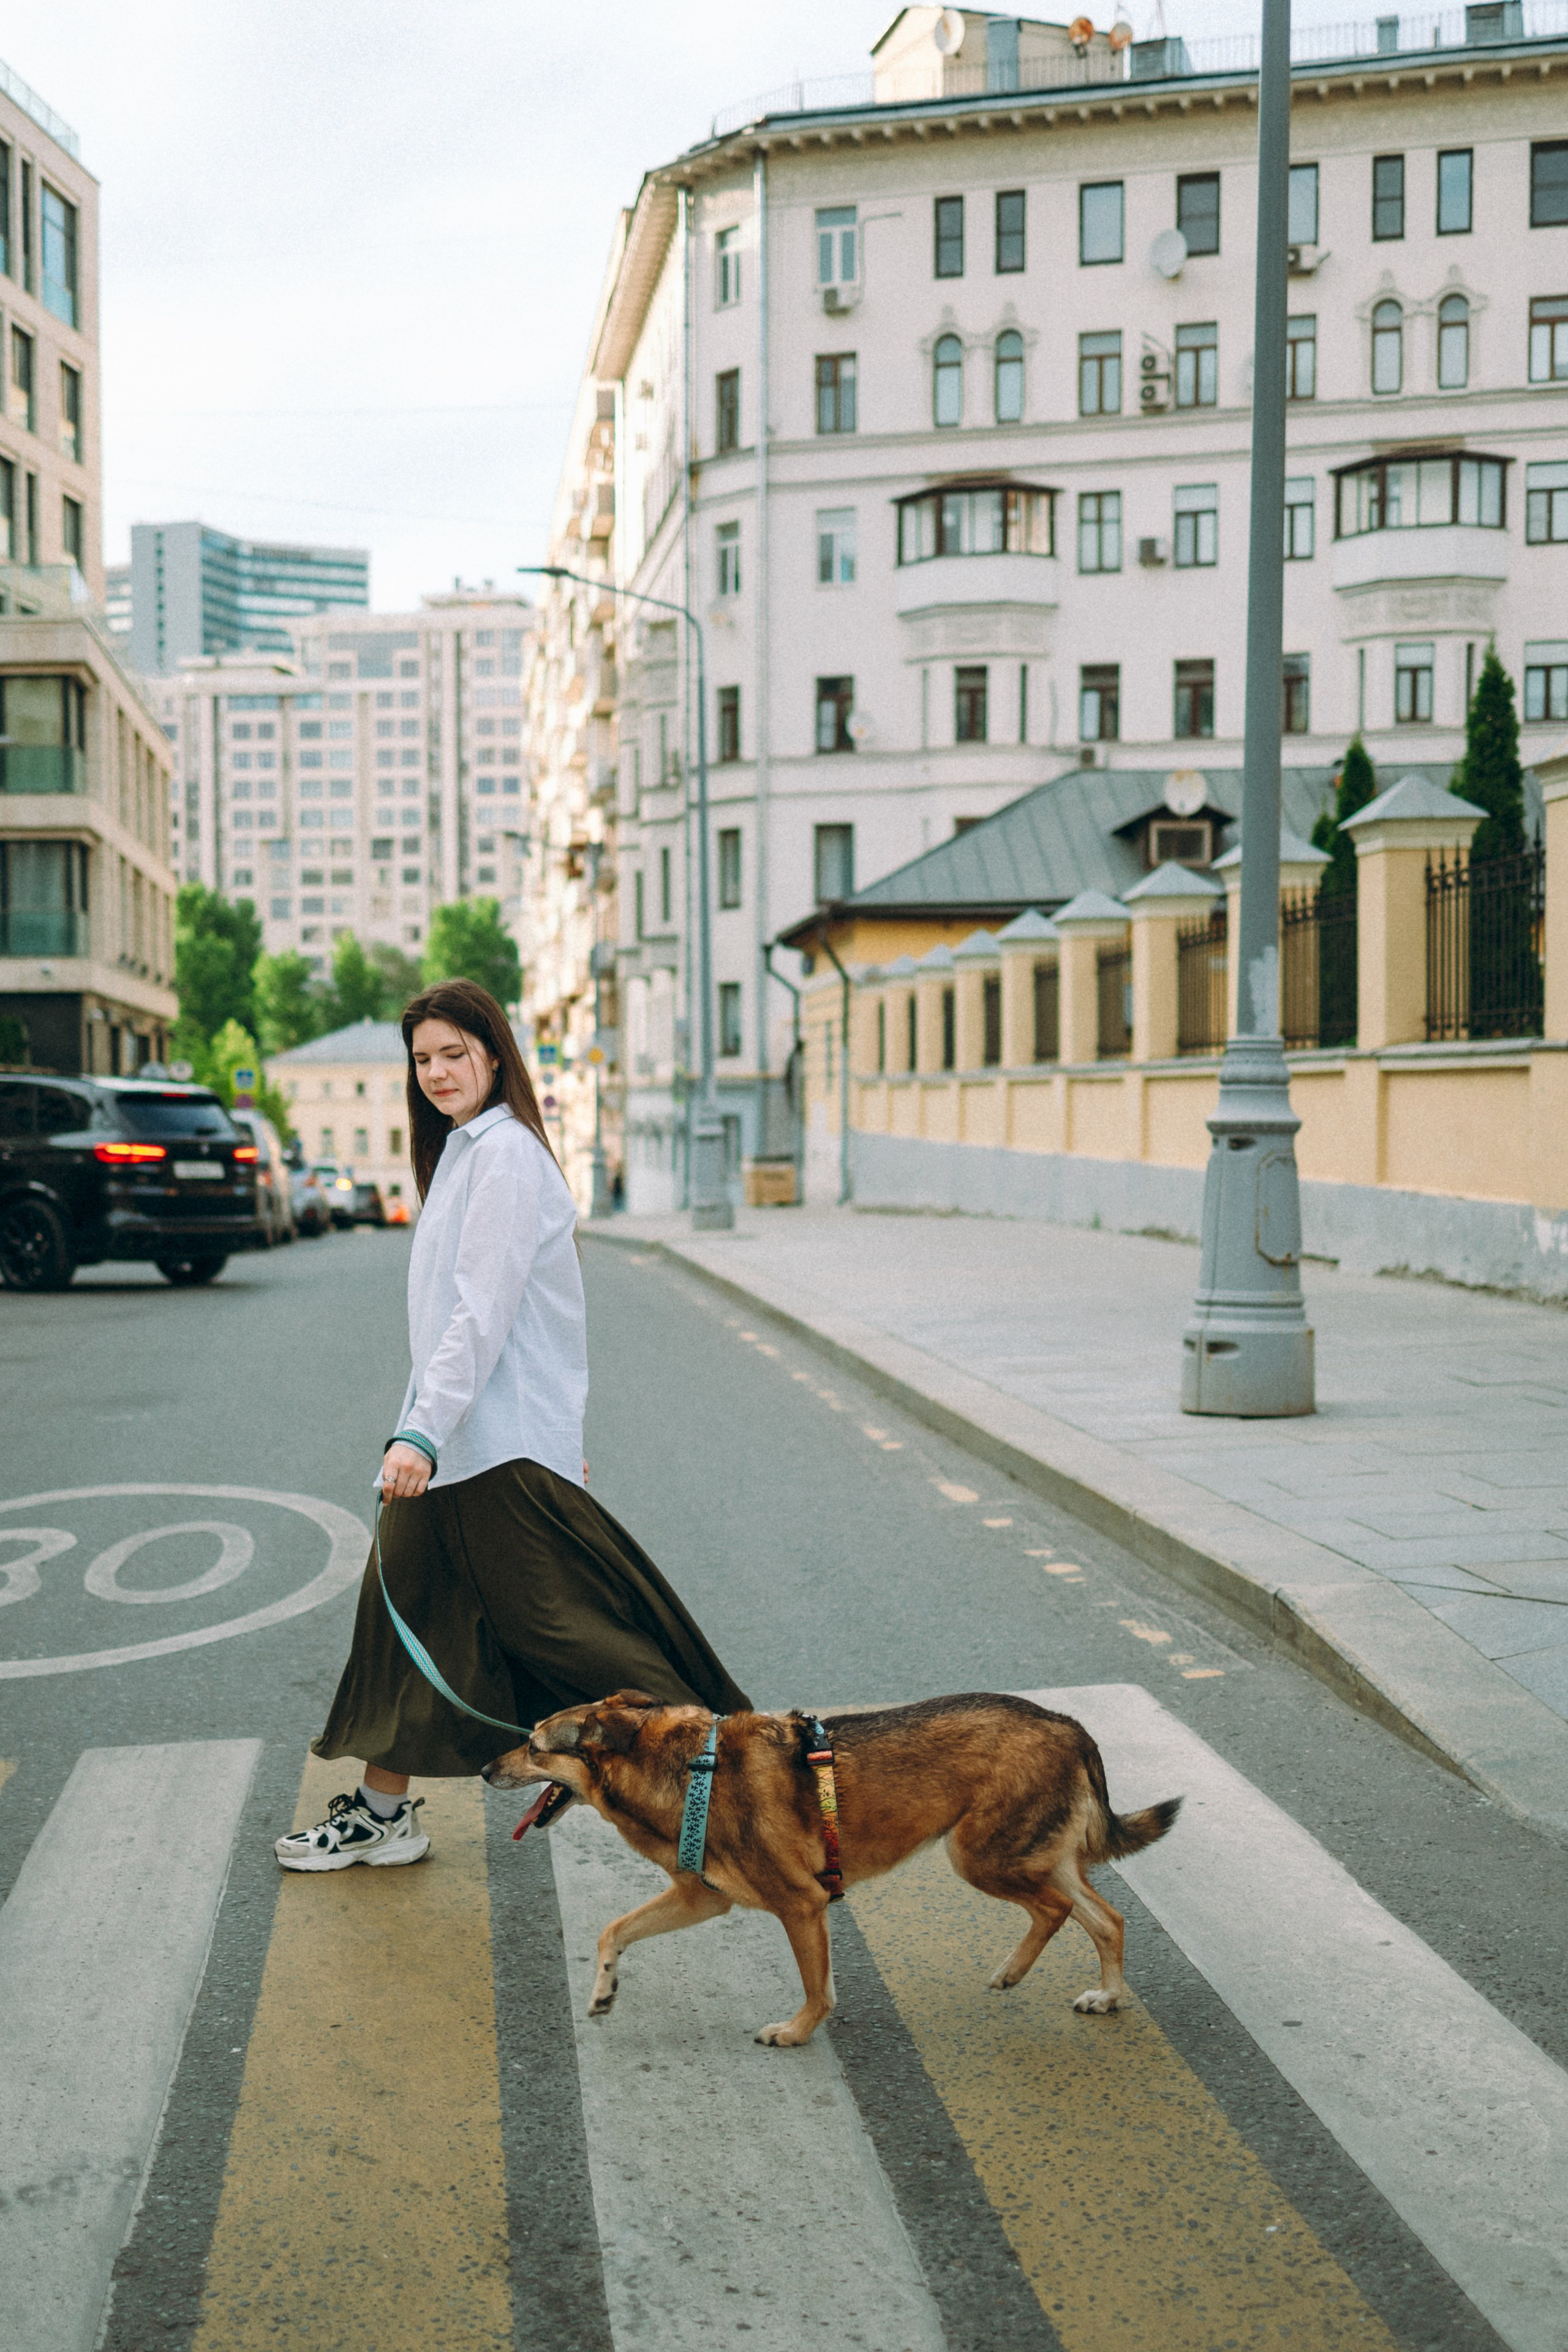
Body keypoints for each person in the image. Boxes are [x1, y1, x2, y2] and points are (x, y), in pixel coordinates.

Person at [276, 978, 751, 1872]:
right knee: (407, 1618)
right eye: (422, 1059)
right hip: (459, 1444)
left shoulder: (505, 1157)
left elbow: (484, 1313)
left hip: (485, 1452)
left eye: (455, 1053)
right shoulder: (466, 1152)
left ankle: (746, 1763)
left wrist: (421, 1433)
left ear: (495, 1053)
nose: (438, 1072)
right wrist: (427, 1430)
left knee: (572, 1634)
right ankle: (384, 1813)